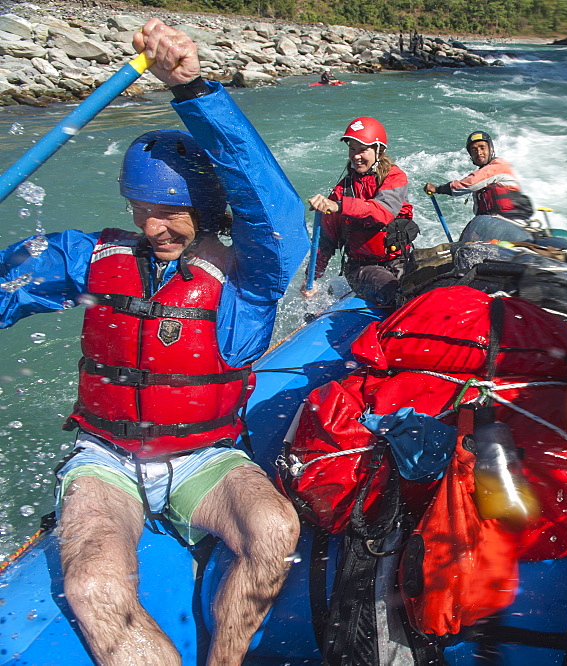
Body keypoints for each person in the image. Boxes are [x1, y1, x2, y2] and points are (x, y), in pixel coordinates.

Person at [0, 19, 307, 665]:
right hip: (105, 459)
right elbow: (11, 281)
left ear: (207, 209)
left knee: (275, 528)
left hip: (204, 459)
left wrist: (193, 90)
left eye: (170, 212)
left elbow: (274, 211)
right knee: (92, 584)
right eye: (142, 210)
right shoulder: (89, 257)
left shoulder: (247, 282)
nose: (154, 227)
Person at [305, 116, 418, 305]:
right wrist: (311, 278)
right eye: (352, 149)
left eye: (362, 150)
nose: (356, 156)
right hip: (362, 268)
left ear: (378, 150)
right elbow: (326, 241)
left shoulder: (395, 177)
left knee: (423, 293)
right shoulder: (341, 191)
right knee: (398, 296)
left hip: (399, 259)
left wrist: (340, 206)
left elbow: (383, 211)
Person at [423, 130, 535, 243]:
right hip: (496, 229)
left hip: (512, 226)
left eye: (482, 147)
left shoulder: (499, 165)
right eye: (474, 150)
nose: (479, 152)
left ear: (491, 149)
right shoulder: (482, 182)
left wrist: (438, 189)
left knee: (477, 224)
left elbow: (469, 183)